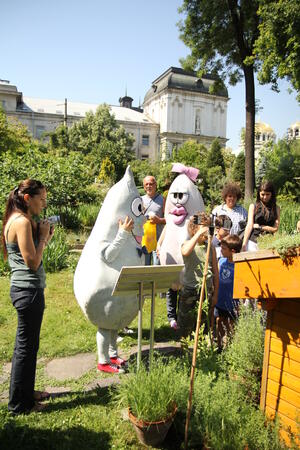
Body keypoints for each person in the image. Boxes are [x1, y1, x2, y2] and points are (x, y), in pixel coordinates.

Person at [2, 180, 54, 414]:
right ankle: (19, 405)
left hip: (25, 291)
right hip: (28, 292)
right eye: (41, 199)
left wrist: (44, 237)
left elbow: (33, 256)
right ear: (27, 199)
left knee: (27, 347)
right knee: (25, 348)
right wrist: (42, 238)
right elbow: (32, 263)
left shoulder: (16, 219)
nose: (44, 204)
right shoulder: (22, 222)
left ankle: (25, 393)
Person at [179, 216, 218, 338]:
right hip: (190, 289)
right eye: (203, 227)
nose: (206, 230)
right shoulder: (187, 244)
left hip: (206, 290)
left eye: (208, 227)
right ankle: (186, 349)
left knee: (204, 321)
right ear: (194, 229)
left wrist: (215, 293)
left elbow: (215, 272)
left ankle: (203, 348)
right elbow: (185, 252)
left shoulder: (211, 247)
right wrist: (198, 234)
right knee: (186, 321)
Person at [214, 234, 242, 351]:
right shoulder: (221, 261)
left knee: (231, 325)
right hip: (220, 300)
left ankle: (230, 348)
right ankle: (219, 346)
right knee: (219, 322)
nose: (221, 250)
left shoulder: (239, 266)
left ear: (233, 251)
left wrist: (241, 303)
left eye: (224, 248)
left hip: (232, 303)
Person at [242, 181, 280, 252]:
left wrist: (260, 227)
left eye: (267, 194)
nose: (265, 197)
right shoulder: (253, 206)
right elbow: (249, 226)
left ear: (272, 194)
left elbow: (275, 229)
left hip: (268, 242)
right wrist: (244, 244)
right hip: (253, 242)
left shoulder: (276, 208)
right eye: (262, 194)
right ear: (259, 193)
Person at [142, 175, 165, 265]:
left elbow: (169, 220)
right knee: (145, 267)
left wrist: (159, 220)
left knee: (157, 266)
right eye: (146, 184)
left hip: (158, 241)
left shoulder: (162, 200)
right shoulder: (140, 200)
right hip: (145, 239)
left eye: (151, 184)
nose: (148, 186)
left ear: (155, 185)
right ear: (144, 187)